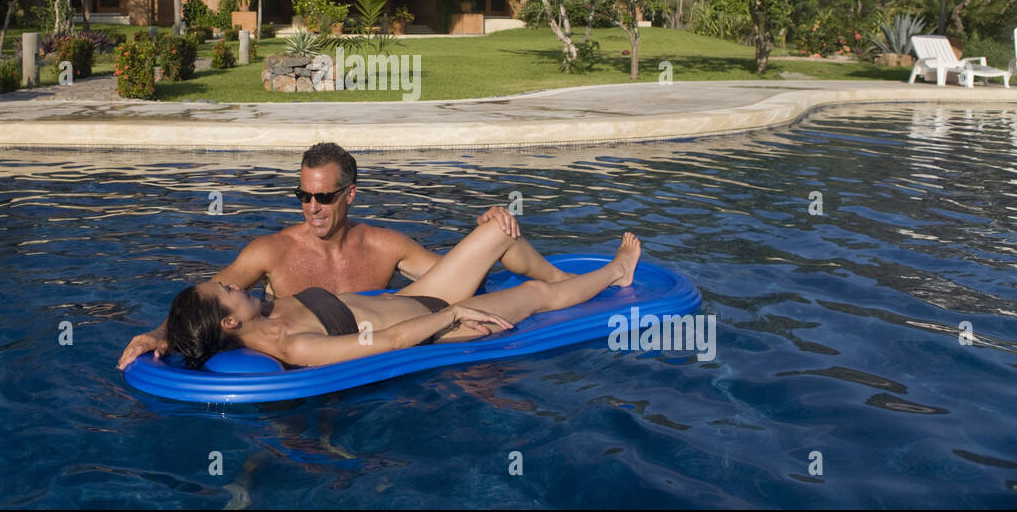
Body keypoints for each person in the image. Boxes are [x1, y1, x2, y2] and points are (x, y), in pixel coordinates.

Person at [117, 142, 587, 369]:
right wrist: (159, 334)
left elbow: (449, 281)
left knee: (496, 230)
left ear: (350, 195)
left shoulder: (383, 243)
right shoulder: (271, 252)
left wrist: (487, 231)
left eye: (323, 197)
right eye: (303, 196)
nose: (311, 207)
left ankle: (561, 278)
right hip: (338, 373)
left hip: (406, 326)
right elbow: (209, 302)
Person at [127, 222, 640, 371]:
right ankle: (618, 271)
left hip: (423, 295)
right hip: (439, 324)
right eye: (225, 291)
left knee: (497, 230)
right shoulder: (294, 346)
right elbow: (390, 343)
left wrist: (161, 334)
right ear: (230, 323)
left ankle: (562, 274)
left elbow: (194, 324)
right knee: (534, 296)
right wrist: (454, 313)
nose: (232, 282)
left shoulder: (264, 306)